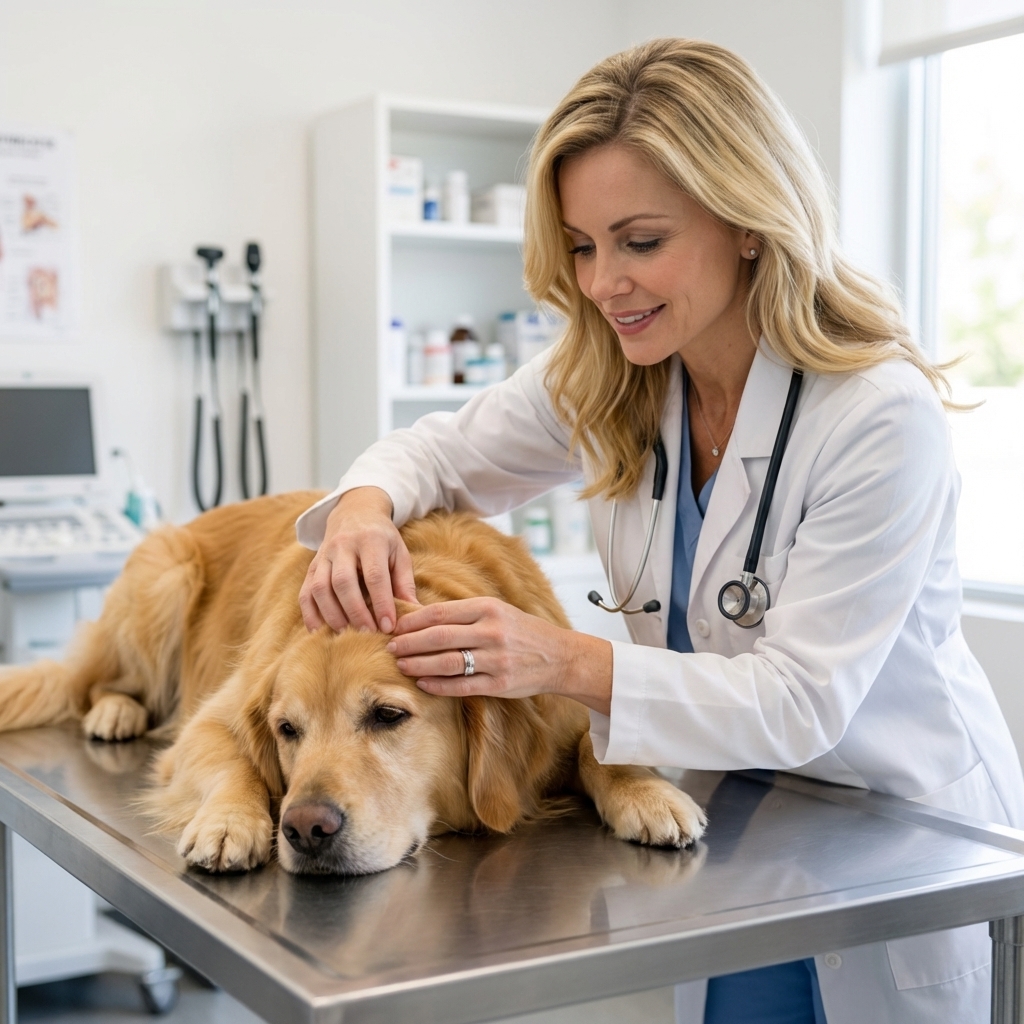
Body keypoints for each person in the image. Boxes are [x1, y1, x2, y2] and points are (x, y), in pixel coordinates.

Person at [295, 38, 1024, 1024]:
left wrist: (558, 660)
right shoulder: (617, 372)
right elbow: (437, 454)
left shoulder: (872, 415)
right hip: (736, 825)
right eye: (582, 246)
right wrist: (361, 513)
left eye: (639, 242)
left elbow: (800, 701)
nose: (602, 285)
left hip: (891, 832)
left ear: (749, 223)